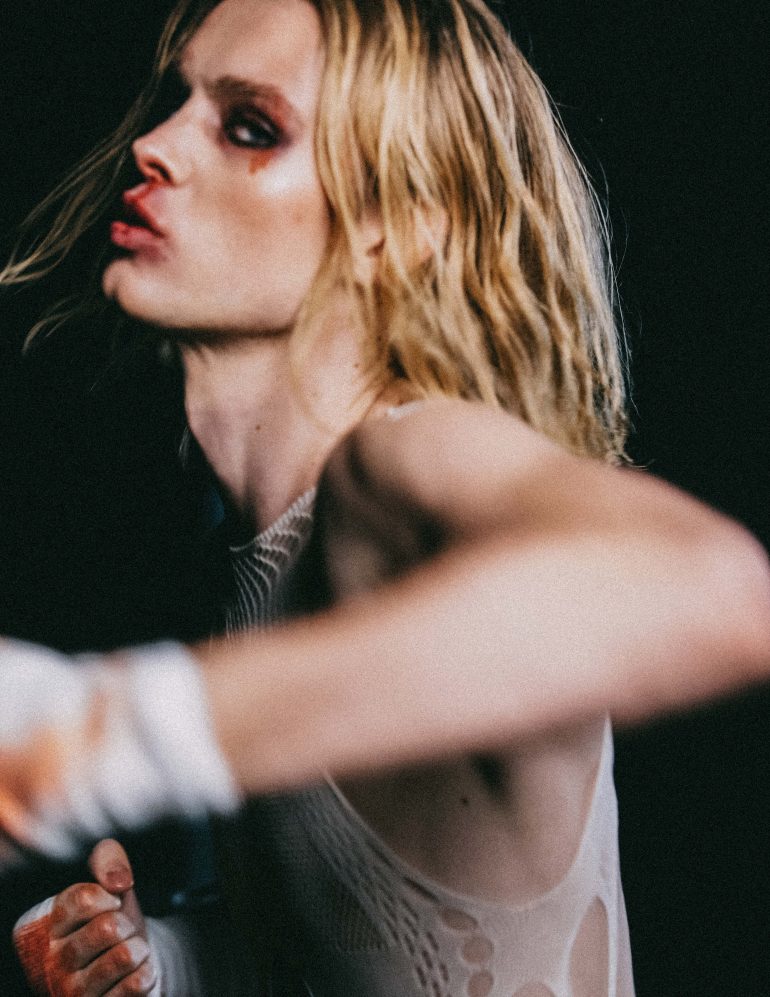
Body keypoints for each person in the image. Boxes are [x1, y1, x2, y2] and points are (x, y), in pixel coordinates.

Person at [1, 0, 769, 994]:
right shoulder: (243, 552)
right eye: (173, 100)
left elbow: (712, 588)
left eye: (249, 128)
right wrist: (168, 965)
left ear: (393, 229)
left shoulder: (398, 458)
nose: (153, 146)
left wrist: (111, 733)